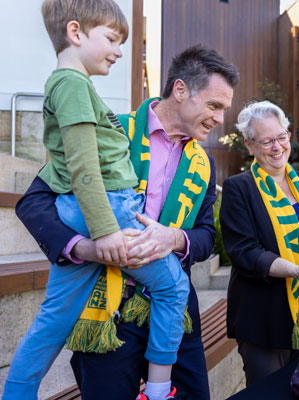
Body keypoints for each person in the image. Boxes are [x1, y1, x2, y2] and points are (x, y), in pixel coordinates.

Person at [13, 43, 239, 399]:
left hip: (175, 313)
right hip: (106, 312)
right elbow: (34, 201)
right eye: (214, 105)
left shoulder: (204, 164)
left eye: (224, 109)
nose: (220, 119)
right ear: (180, 90)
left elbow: (207, 238)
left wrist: (174, 239)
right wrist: (85, 248)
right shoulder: (110, 130)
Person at [220, 100, 299, 387]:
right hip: (263, 319)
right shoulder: (238, 188)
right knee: (269, 394)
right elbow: (243, 251)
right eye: (266, 141)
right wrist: (295, 271)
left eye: (281, 137)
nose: (277, 147)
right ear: (250, 145)